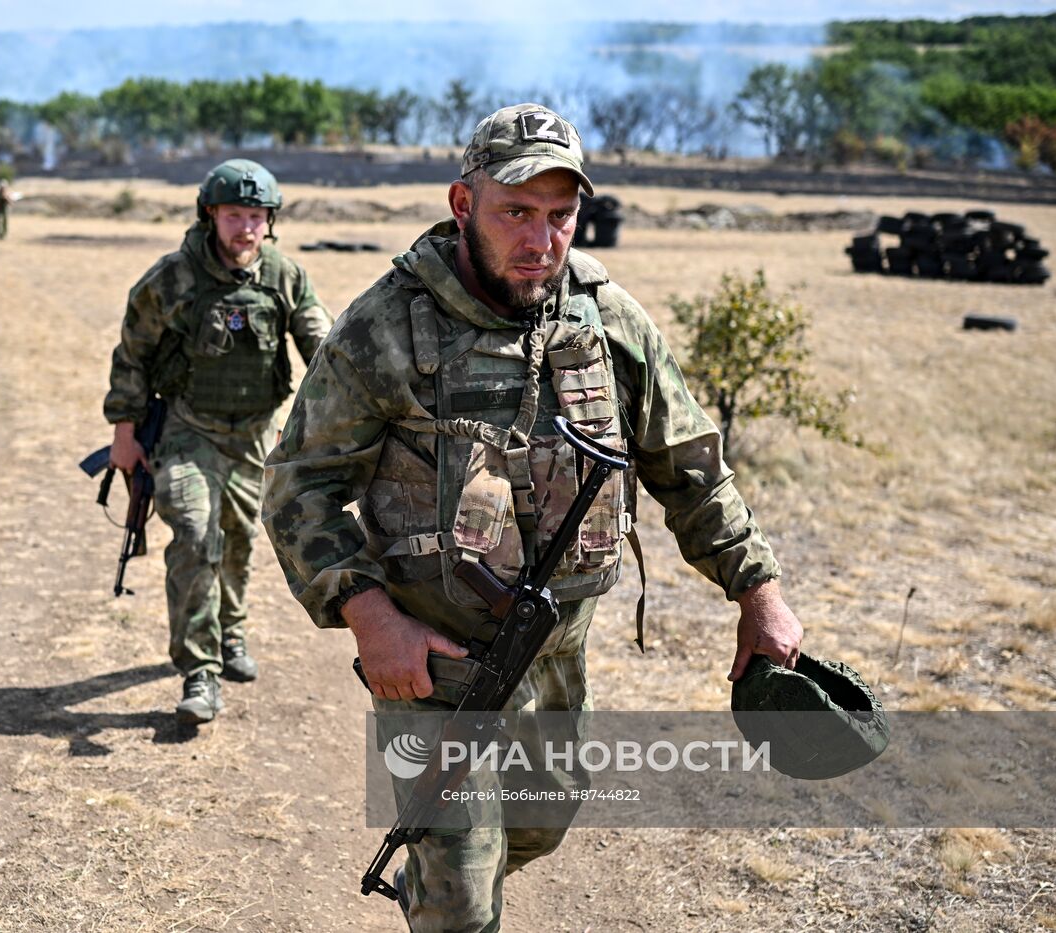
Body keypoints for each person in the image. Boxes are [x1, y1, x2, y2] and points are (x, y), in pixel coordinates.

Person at [261, 104, 803, 932]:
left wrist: (757, 588)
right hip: (436, 665)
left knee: (542, 822)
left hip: (557, 653)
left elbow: (687, 463)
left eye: (560, 215)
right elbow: (297, 485)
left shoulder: (604, 317)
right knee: (467, 900)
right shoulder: (386, 328)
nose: (541, 239)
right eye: (517, 211)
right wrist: (371, 618)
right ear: (463, 203)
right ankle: (448, 885)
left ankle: (441, 876)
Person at [104, 160, 334, 726]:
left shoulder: (284, 276)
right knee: (193, 533)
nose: (246, 227)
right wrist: (124, 434)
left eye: (257, 216)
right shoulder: (172, 280)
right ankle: (199, 671)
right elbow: (132, 355)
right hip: (188, 430)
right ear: (211, 215)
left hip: (255, 436)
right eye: (235, 214)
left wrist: (328, 422)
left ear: (269, 221)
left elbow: (323, 352)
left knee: (236, 541)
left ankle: (231, 633)